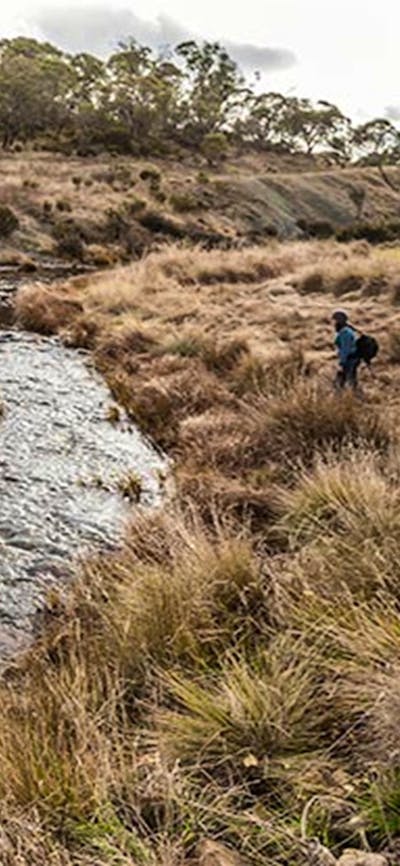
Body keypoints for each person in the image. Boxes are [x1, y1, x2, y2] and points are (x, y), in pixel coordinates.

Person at [332, 309, 360, 391]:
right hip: (352, 358)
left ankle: (344, 396)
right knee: (351, 378)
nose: (334, 323)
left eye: (336, 320)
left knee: (343, 379)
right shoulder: (347, 331)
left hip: (349, 359)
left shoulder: (345, 333)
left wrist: (342, 361)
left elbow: (345, 348)